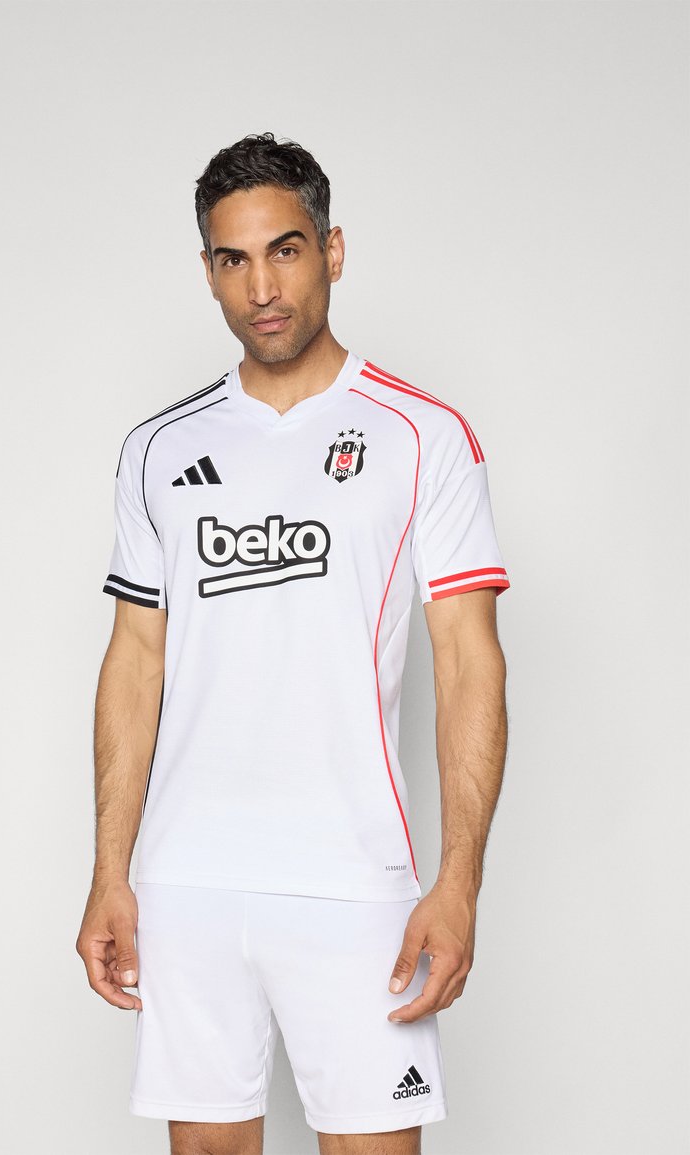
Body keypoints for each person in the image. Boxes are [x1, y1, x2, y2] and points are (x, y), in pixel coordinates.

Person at [76, 131, 510, 1155]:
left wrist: (458, 882)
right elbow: (135, 661)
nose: (261, 288)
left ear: (332, 250)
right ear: (207, 272)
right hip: (186, 881)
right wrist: (109, 869)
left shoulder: (422, 434)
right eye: (233, 260)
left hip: (354, 880)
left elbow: (467, 664)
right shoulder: (159, 448)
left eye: (285, 250)